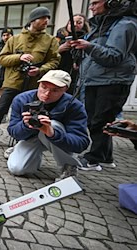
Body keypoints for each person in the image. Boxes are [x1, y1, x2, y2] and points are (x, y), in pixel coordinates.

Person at [0, 6, 60, 146]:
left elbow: (54, 61)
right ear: (33, 20)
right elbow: (2, 59)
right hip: (13, 81)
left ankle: (22, 142)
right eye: (43, 18)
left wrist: (40, 70)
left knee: (29, 112)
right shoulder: (15, 39)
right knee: (1, 109)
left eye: (48, 18)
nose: (46, 21)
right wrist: (19, 57)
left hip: (34, 84)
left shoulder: (50, 41)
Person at [70, 0, 137, 171]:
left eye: (95, 3)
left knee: (100, 120)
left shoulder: (125, 24)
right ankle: (106, 157)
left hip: (112, 81)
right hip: (97, 78)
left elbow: (114, 56)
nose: (91, 7)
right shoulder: (103, 24)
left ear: (111, 2)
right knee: (97, 119)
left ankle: (94, 158)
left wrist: (89, 46)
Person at [7, 70, 89, 180]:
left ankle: (69, 166)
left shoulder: (74, 106)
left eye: (55, 90)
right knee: (18, 168)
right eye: (44, 87)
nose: (46, 94)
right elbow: (13, 131)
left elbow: (81, 143)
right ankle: (18, 150)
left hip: (56, 137)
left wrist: (53, 133)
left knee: (54, 125)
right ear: (38, 83)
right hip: (31, 137)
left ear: (65, 89)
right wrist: (25, 125)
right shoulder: (22, 99)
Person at [56, 14, 90, 95]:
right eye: (71, 22)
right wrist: (59, 49)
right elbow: (49, 56)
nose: (74, 25)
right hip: (59, 72)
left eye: (79, 22)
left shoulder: (87, 39)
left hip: (76, 75)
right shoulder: (58, 38)